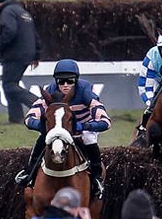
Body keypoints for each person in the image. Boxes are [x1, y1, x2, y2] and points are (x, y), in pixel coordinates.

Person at [17, 59, 111, 200]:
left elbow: (105, 121)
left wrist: (84, 126)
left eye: (70, 81)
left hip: (82, 127)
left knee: (88, 137)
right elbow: (29, 117)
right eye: (61, 81)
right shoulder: (50, 91)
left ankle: (97, 177)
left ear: (76, 80)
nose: (65, 85)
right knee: (43, 137)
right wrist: (43, 127)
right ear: (56, 81)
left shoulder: (85, 91)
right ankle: (29, 172)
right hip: (58, 127)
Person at [0, 0, 41, 124]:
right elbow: (34, 35)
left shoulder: (7, 11)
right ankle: (16, 119)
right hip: (26, 54)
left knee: (9, 85)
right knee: (11, 85)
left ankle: (38, 104)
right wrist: (36, 55)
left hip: (15, 55)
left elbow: (9, 31)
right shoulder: (22, 12)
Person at [135, 29, 162, 136]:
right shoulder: (152, 56)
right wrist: (152, 105)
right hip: (159, 84)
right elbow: (145, 86)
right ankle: (142, 134)